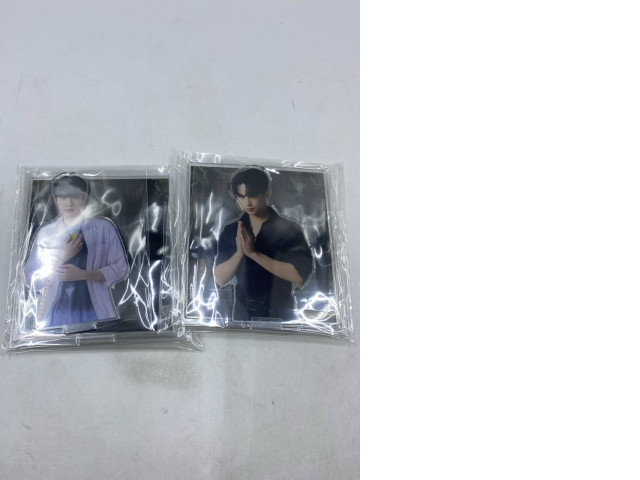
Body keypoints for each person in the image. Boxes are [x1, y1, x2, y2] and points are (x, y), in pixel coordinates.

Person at [24, 173, 129, 329]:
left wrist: (83, 274)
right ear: (55, 199)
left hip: (95, 312)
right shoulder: (45, 234)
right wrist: (62, 256)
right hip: (55, 314)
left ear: (84, 198)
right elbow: (32, 279)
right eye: (63, 197)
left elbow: (120, 269)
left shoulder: (104, 228)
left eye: (75, 196)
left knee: (99, 342)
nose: (69, 202)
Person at [213, 167, 313, 321]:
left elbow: (299, 277)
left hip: (280, 314)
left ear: (265, 192)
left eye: (252, 195)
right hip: (243, 315)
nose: (247, 202)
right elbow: (220, 278)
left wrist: (254, 254)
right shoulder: (231, 230)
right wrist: (239, 254)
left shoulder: (289, 229)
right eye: (241, 197)